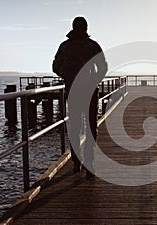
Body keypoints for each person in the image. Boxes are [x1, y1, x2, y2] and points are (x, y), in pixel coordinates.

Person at [52, 16, 108, 178]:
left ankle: (77, 161)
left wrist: (67, 76)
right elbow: (103, 67)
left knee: (75, 127)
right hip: (90, 91)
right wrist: (94, 80)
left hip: (74, 91)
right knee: (91, 127)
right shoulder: (92, 46)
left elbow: (55, 66)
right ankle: (88, 163)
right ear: (85, 28)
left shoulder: (65, 46)